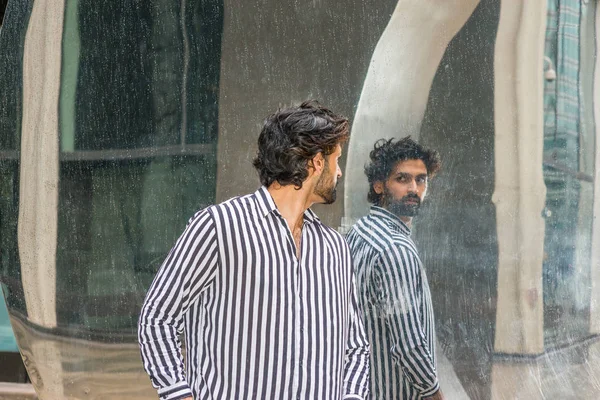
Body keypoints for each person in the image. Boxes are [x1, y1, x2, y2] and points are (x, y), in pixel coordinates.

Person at [138, 100, 370, 400]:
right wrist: (178, 393)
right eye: (336, 160)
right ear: (315, 162)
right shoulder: (218, 226)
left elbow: (355, 346)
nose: (338, 172)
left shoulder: (335, 248)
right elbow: (157, 318)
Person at [346, 137, 443, 400]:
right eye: (403, 179)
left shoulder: (359, 231)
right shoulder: (395, 248)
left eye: (421, 179)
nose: (414, 188)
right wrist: (435, 394)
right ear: (379, 185)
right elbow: (409, 346)